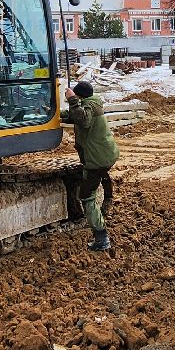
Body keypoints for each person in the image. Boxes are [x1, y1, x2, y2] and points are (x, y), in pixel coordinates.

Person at [64, 80, 119, 252]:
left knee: (87, 196)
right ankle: (105, 205)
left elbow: (84, 120)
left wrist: (72, 100)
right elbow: (77, 115)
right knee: (96, 184)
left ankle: (102, 239)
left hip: (97, 160)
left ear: (80, 96)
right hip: (104, 155)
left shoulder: (88, 108)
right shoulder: (93, 103)